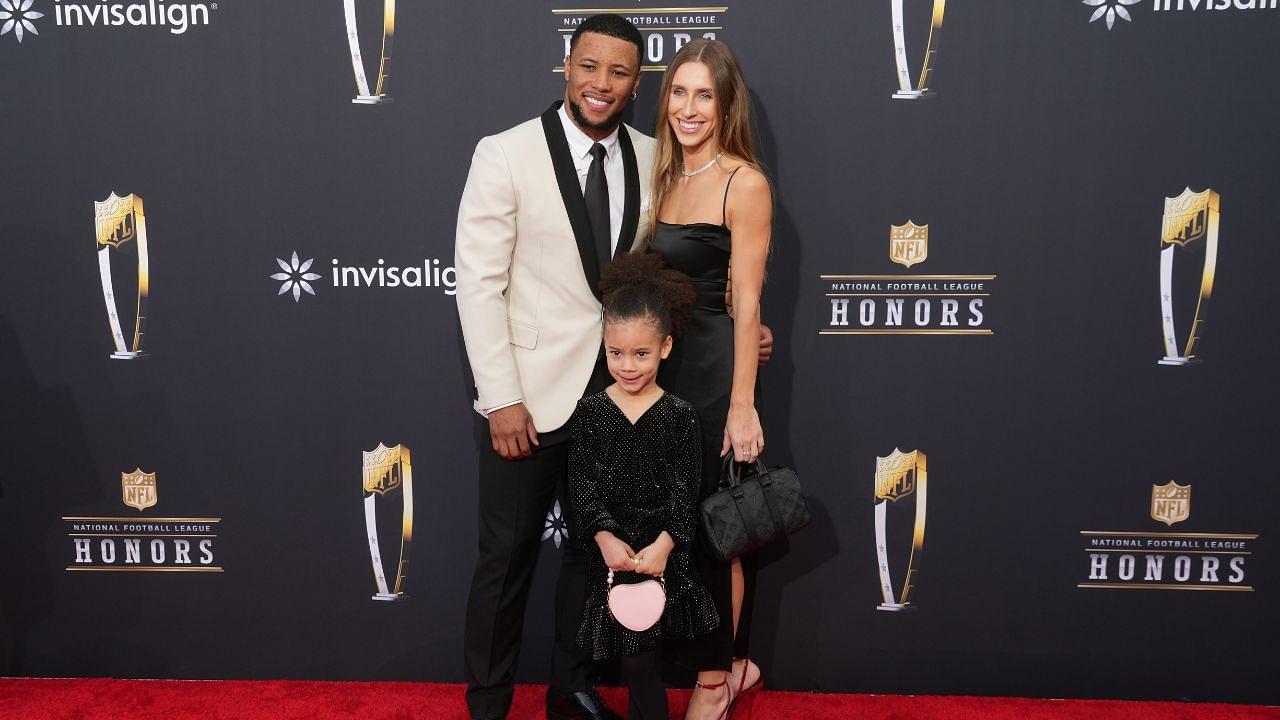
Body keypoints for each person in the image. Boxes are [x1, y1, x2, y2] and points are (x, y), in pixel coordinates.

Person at [454, 15, 652, 720]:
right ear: (566, 67)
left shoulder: (653, 157)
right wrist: (500, 398)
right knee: (505, 564)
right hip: (528, 404)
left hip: (616, 401)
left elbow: (671, 273)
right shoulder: (504, 154)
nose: (602, 84)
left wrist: (745, 330)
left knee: (592, 559)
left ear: (636, 83)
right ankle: (487, 704)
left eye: (620, 72)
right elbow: (478, 285)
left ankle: (571, 690)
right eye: (590, 66)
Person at [645, 39, 772, 720]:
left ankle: (714, 679)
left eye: (704, 96)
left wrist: (743, 404)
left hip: (716, 372)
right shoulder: (661, 173)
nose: (689, 109)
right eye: (679, 92)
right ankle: (731, 663)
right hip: (661, 371)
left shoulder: (741, 181)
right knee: (678, 524)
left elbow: (748, 301)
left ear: (726, 106)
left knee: (714, 522)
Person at [568, 253, 719, 720]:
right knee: (636, 661)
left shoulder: (679, 416)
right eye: (616, 353)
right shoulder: (591, 411)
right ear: (604, 346)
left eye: (641, 353)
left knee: (646, 660)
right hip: (615, 556)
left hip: (662, 555)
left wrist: (665, 545)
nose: (627, 366)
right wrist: (605, 538)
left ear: (666, 347)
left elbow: (685, 490)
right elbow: (582, 486)